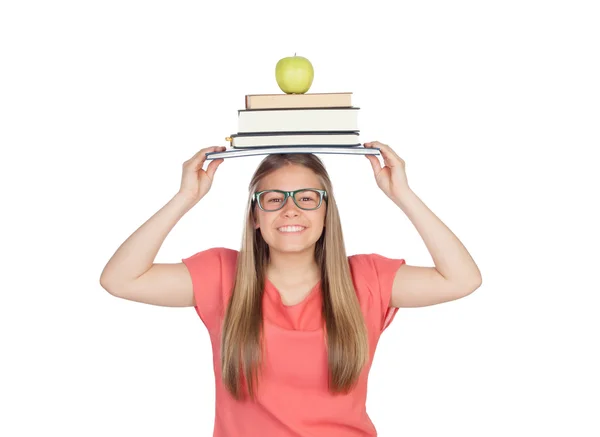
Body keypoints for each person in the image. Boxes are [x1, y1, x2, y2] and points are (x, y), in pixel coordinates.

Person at [99, 141, 482, 436]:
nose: (290, 210)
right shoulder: (222, 275)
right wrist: (185, 197)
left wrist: (403, 194)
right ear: (255, 216)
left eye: (307, 198)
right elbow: (120, 279)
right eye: (273, 199)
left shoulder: (366, 279)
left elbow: (463, 279)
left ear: (326, 213)